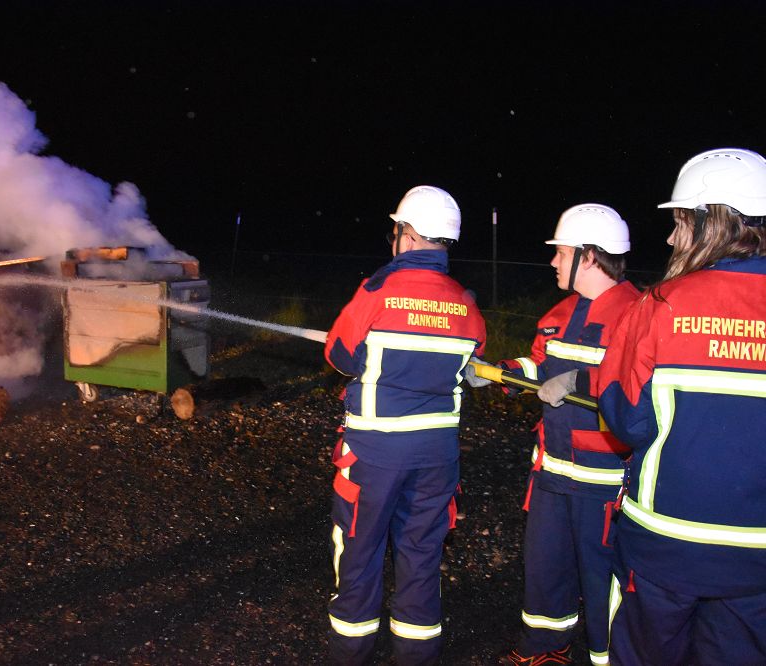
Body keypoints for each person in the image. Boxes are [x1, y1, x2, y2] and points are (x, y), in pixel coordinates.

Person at [597, 148, 766, 665]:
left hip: (664, 542)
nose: (671, 239)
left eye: (679, 223)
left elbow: (623, 417)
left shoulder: (661, 304)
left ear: (710, 221)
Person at [467, 204, 639, 666]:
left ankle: (609, 658)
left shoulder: (637, 315)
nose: (553, 262)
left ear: (589, 256)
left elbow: (640, 386)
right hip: (552, 472)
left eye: (561, 253)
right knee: (545, 568)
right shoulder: (558, 315)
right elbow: (540, 366)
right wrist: (498, 371)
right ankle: (545, 651)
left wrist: (581, 381)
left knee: (604, 581)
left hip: (606, 482)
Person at [323, 185, 487, 665]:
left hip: (374, 456)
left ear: (408, 234)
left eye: (396, 231)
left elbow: (339, 356)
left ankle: (351, 653)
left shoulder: (377, 290)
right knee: (421, 558)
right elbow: (471, 364)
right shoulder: (465, 303)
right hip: (437, 458)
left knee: (359, 555)